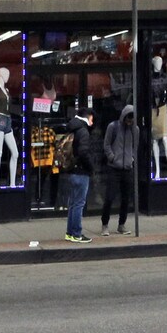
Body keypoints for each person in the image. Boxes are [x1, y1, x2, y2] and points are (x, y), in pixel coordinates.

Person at [59, 102, 102, 244]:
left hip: (72, 170)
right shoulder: (83, 131)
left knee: (73, 203)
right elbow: (83, 152)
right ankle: (76, 233)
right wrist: (91, 167)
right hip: (81, 171)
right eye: (92, 119)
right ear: (88, 117)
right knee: (79, 204)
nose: (92, 122)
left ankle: (70, 233)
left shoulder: (73, 128)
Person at [101, 103, 139, 234]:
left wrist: (131, 158)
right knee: (110, 197)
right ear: (124, 117)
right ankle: (105, 224)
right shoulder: (113, 127)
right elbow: (106, 145)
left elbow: (135, 146)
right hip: (114, 168)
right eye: (128, 119)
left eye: (132, 120)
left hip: (127, 168)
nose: (130, 122)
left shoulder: (135, 130)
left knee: (126, 198)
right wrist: (112, 158)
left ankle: (121, 224)